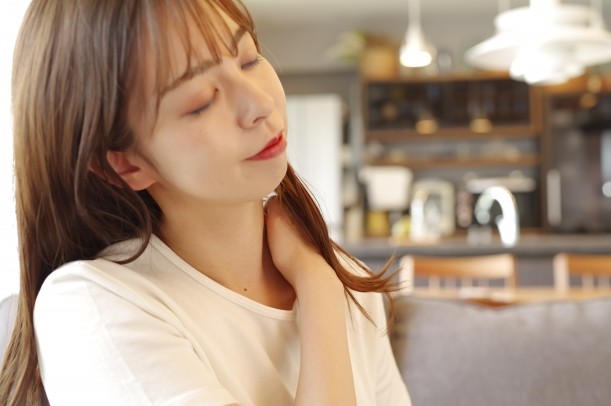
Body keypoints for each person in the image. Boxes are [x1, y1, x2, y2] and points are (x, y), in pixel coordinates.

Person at [0, 0, 410, 405]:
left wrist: (323, 279)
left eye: (249, 60)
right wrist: (319, 291)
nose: (261, 103)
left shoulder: (351, 282)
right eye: (201, 101)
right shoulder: (93, 307)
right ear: (124, 164)